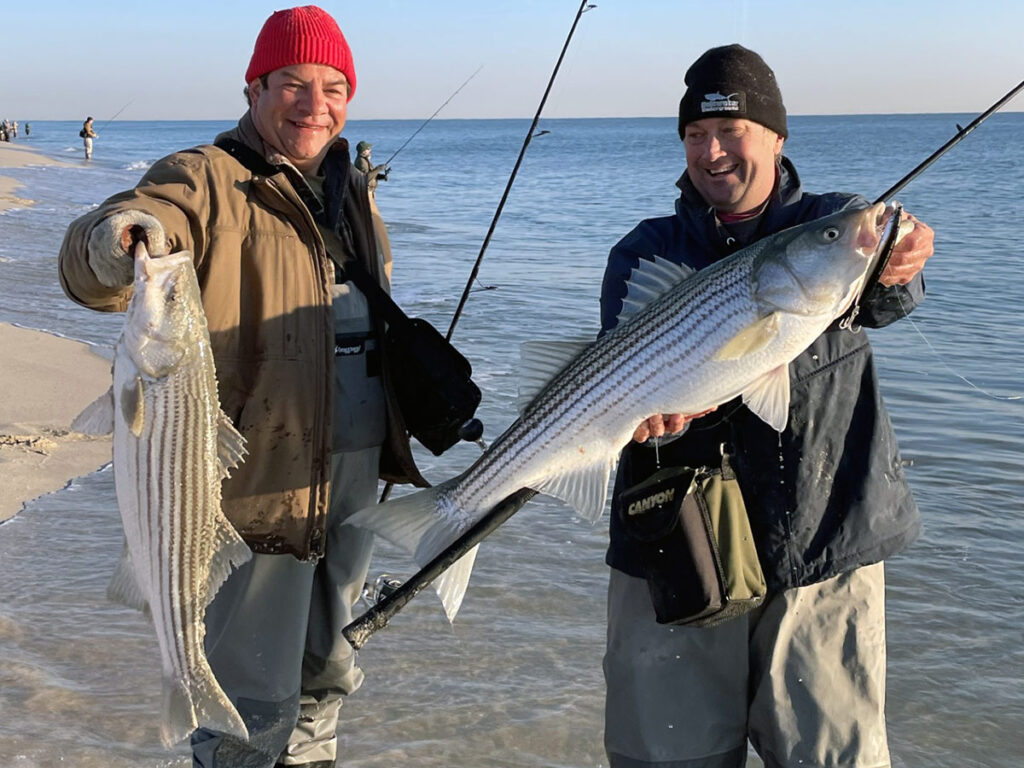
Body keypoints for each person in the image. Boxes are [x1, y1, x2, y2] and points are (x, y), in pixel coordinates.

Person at [58, 6, 429, 767]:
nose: (313, 102)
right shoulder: (205, 177)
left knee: (326, 674)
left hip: (353, 478)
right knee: (249, 702)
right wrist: (122, 237)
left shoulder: (351, 190)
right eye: (292, 83)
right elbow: (110, 246)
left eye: (332, 86)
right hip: (256, 485)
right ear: (256, 87)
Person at [599, 44, 935, 768]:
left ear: (777, 138)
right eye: (696, 135)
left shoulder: (835, 224)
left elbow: (884, 283)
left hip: (822, 548)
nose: (713, 152)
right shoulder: (643, 252)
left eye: (732, 131)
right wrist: (646, 425)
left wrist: (901, 254)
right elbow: (616, 383)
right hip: (676, 557)